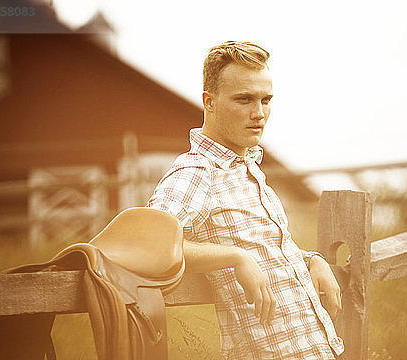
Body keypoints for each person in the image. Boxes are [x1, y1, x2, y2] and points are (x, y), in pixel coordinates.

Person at [146, 41, 344, 359]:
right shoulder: (197, 170)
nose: (259, 113)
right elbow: (151, 243)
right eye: (244, 99)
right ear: (208, 102)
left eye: (266, 100)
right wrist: (234, 259)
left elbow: (261, 247)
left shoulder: (246, 166)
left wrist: (310, 261)